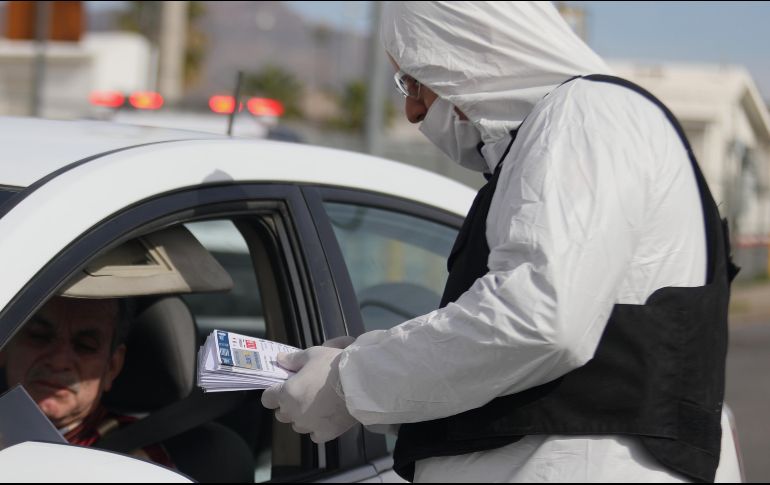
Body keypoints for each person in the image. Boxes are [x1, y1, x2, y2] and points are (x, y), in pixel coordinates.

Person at [262, 2, 741, 482]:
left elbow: (538, 319)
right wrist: (365, 362)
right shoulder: (574, 127)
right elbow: (523, 365)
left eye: (413, 81)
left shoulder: (588, 115)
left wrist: (351, 379)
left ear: (459, 47)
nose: (411, 112)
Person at [0, 296, 173, 467]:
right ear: (4, 346)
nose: (59, 362)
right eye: (40, 336)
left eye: (85, 345)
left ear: (111, 368)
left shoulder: (135, 462)